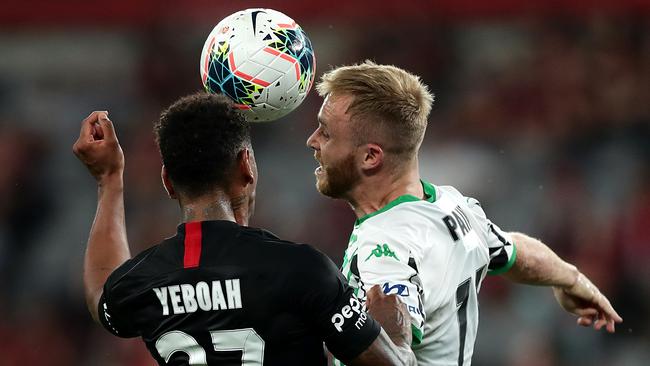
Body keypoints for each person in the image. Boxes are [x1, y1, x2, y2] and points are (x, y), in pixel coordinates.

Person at [305, 61, 623, 366]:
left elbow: (391, 355)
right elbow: (510, 250)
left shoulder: (383, 250)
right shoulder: (452, 206)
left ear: (371, 157)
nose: (312, 141)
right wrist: (571, 279)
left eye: (326, 133)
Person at [72, 92, 417, 366]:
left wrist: (109, 179)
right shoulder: (301, 270)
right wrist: (395, 334)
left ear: (168, 182)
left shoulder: (141, 283)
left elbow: (100, 292)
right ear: (246, 165)